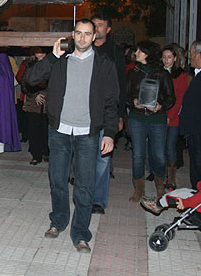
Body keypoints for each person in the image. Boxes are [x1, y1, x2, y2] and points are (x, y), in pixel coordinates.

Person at [25, 19, 118, 253]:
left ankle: (81, 234)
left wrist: (109, 134)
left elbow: (111, 102)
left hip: (88, 133)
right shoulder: (59, 61)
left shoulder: (104, 64)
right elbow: (30, 79)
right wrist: (52, 57)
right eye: (79, 33)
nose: (83, 38)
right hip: (59, 131)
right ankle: (58, 221)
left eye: (88, 34)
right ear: (72, 35)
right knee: (57, 180)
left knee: (85, 186)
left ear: (95, 37)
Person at [126, 41, 175, 202]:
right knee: (138, 155)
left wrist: (161, 106)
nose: (136, 53)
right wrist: (132, 101)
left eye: (140, 51)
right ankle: (138, 189)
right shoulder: (133, 72)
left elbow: (171, 98)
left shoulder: (162, 73)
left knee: (159, 155)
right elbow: (125, 95)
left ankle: (160, 186)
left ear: (148, 54)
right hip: (137, 118)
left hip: (157, 119)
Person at [91, 13, 127, 215]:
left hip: (106, 112)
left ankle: (98, 201)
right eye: (94, 24)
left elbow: (121, 84)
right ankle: (84, 195)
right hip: (84, 112)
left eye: (100, 25)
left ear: (108, 29)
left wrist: (120, 114)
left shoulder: (115, 52)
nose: (97, 28)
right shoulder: (83, 48)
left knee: (103, 158)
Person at [140, 156, 201, 232]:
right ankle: (159, 202)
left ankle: (158, 204)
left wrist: (185, 203)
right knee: (184, 191)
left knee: (180, 194)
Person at [180, 39, 201, 188]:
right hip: (196, 133)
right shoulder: (200, 73)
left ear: (199, 55)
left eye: (191, 53)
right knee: (197, 170)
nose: (189, 57)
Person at [162, 44, 189, 190]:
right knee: (161, 146)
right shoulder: (159, 72)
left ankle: (172, 178)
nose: (166, 60)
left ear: (175, 59)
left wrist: (170, 116)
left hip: (173, 117)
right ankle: (162, 175)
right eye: (164, 57)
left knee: (170, 146)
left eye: (169, 57)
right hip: (159, 115)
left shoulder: (181, 75)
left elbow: (180, 98)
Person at [20, 48, 49, 165]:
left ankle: (46, 152)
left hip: (48, 103)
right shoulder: (30, 64)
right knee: (33, 130)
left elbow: (54, 82)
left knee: (46, 129)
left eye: (41, 50)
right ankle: (36, 155)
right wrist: (34, 94)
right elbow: (24, 82)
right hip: (32, 103)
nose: (38, 53)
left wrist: (43, 94)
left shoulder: (52, 63)